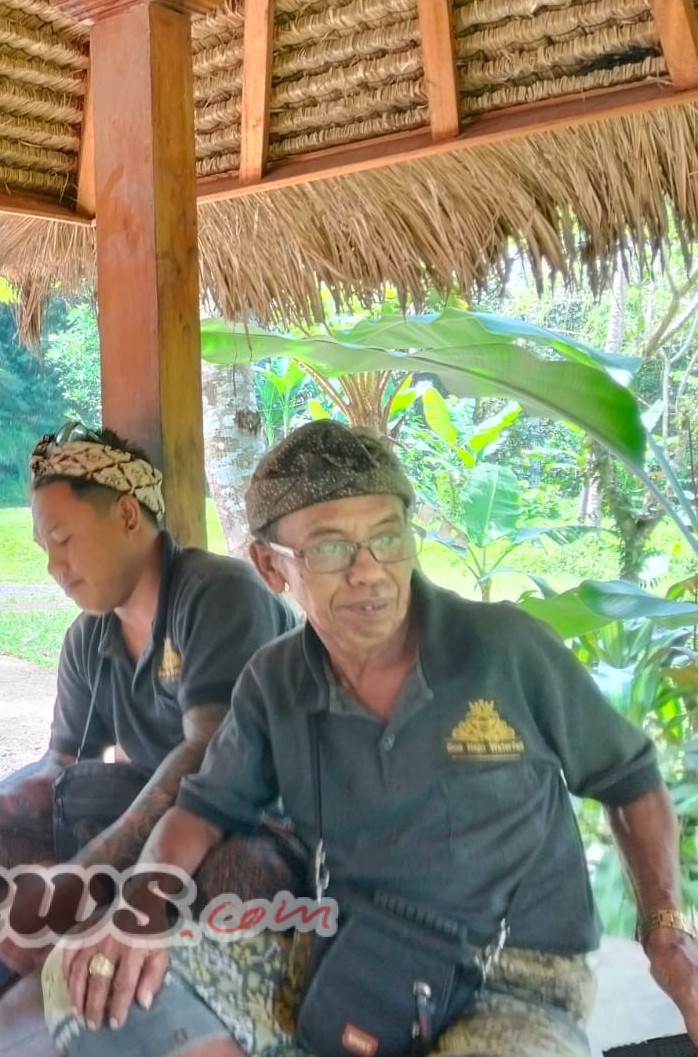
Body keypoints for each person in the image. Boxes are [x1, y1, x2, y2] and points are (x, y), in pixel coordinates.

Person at [53, 419, 698, 1057]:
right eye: (330, 549)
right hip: (347, 956)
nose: (369, 572)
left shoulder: (505, 650)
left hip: (514, 982)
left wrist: (667, 935)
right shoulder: (275, 684)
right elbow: (201, 809)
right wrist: (138, 905)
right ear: (269, 567)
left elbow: (630, 779)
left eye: (388, 537)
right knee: (86, 979)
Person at [0, 422, 294, 972]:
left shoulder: (219, 594)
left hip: (256, 830)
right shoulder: (89, 639)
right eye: (45, 549)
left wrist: (81, 875)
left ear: (129, 516)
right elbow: (62, 763)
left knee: (229, 880)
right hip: (149, 832)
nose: (54, 567)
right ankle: (73, 935)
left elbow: (207, 754)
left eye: (63, 540)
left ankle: (101, 941)